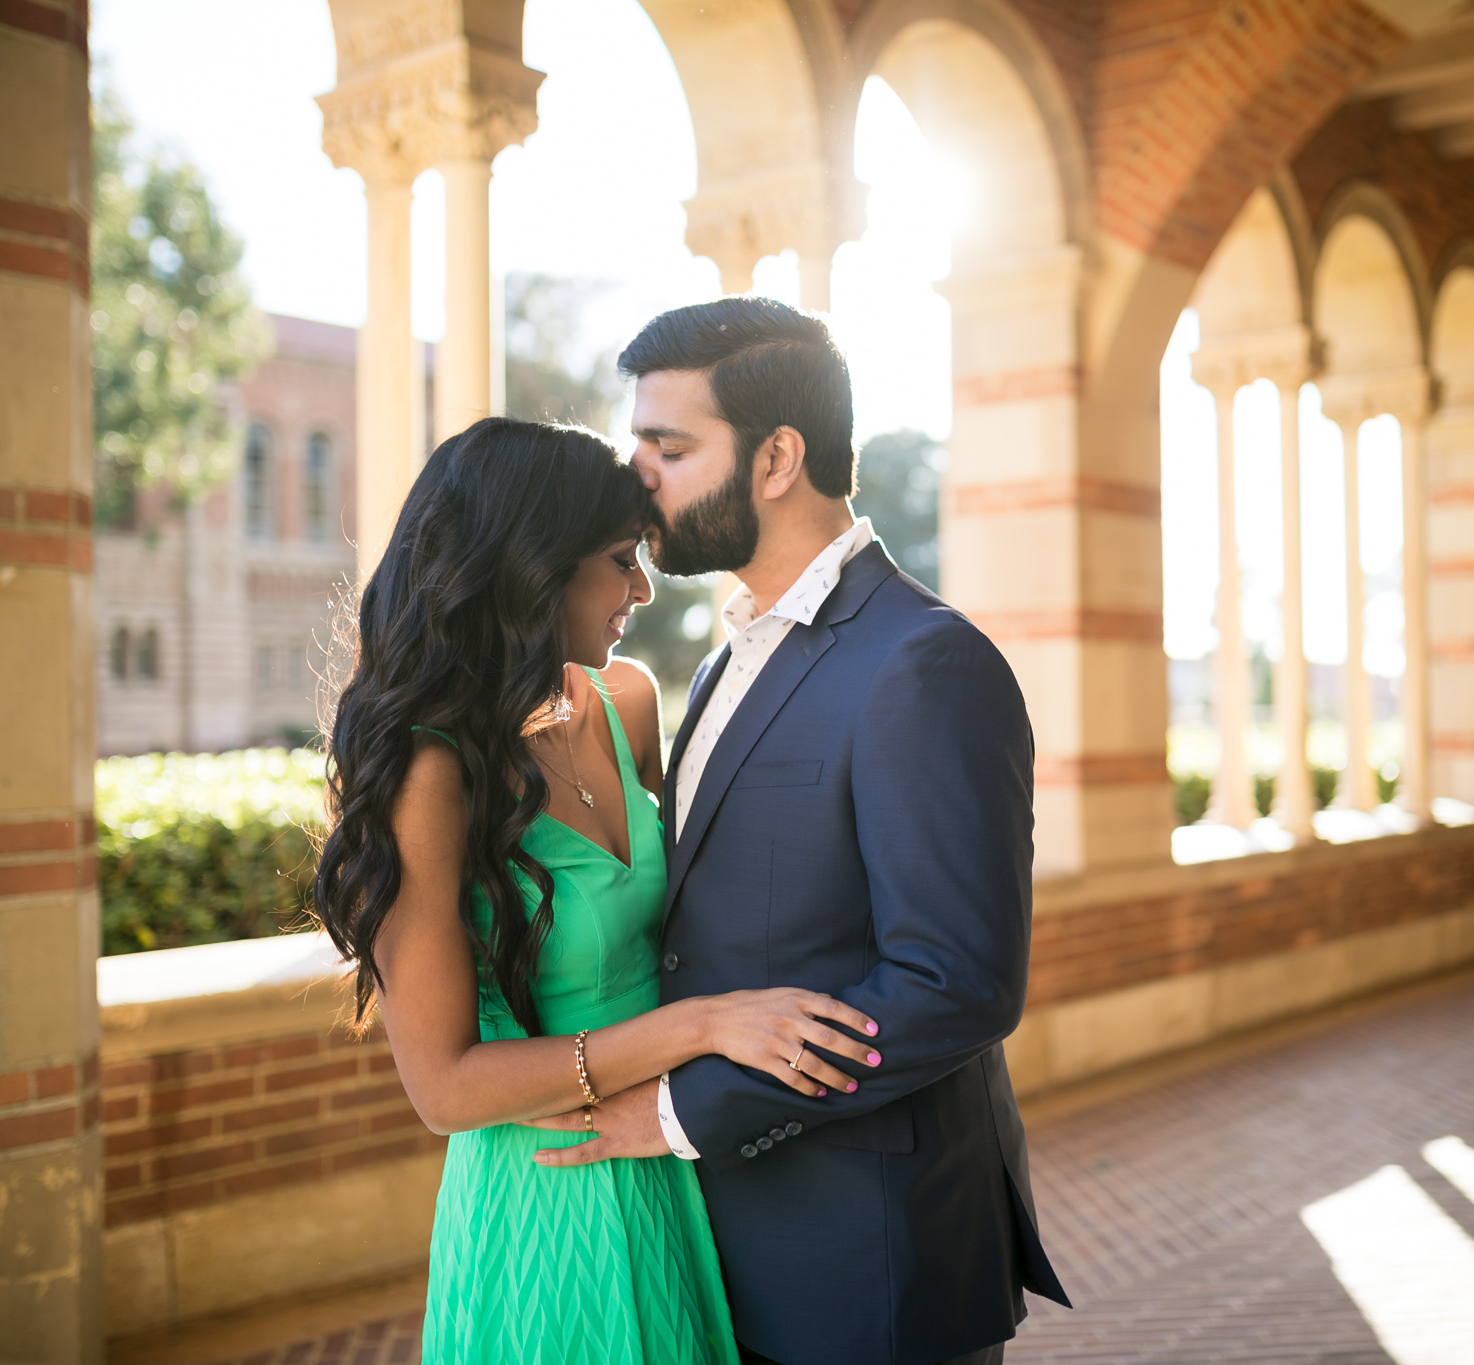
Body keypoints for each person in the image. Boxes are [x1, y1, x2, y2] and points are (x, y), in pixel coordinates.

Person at [527, 298, 1068, 1365]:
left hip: (868, 1259)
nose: (636, 477)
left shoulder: (922, 664)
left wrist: (684, 1111)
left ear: (776, 458)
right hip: (722, 1248)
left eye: (668, 447)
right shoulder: (730, 656)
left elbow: (955, 983)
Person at [312, 419, 886, 1363]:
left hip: (673, 1161)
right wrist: (704, 1027)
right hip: (547, 1191)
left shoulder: (628, 701)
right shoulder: (430, 772)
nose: (643, 589)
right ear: (530, 566)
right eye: (620, 560)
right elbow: (446, 1087)